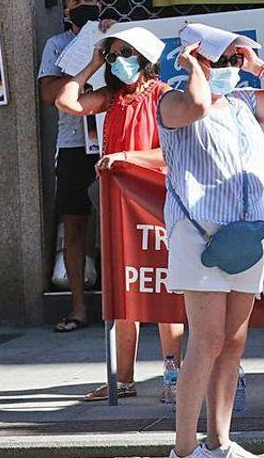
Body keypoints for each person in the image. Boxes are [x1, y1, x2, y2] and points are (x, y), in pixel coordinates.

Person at [160, 23, 264, 458]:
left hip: (246, 234)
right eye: (223, 60)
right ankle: (185, 449)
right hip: (200, 235)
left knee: (233, 342)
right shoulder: (172, 99)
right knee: (206, 340)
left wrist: (259, 66)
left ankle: (219, 441)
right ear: (199, 59)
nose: (232, 67)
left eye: (235, 59)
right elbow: (193, 106)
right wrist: (191, 65)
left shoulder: (243, 102)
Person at [54, 26, 187, 404]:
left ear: (145, 59)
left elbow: (174, 154)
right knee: (122, 293)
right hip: (117, 206)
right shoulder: (112, 98)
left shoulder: (163, 96)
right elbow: (67, 101)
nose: (120, 62)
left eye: (126, 53)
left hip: (156, 205)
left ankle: (173, 375)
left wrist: (127, 159)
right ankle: (123, 378)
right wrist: (93, 64)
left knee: (162, 291)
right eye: (114, 55)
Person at [39, 0, 104, 332]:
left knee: (118, 225)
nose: (82, 5)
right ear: (66, 12)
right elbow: (49, 93)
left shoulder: (117, 35)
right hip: (74, 146)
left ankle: (124, 303)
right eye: (75, 3)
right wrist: (82, 62)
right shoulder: (57, 45)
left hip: (114, 139)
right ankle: (78, 307)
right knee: (74, 226)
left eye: (88, 0)